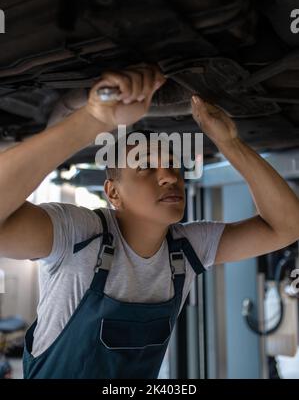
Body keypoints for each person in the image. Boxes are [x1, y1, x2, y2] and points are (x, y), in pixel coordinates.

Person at [0, 64, 298, 379]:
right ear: (113, 193)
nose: (170, 176)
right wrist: (94, 119)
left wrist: (230, 143)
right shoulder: (79, 235)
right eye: (145, 167)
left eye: (172, 164)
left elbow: (287, 226)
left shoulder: (185, 249)